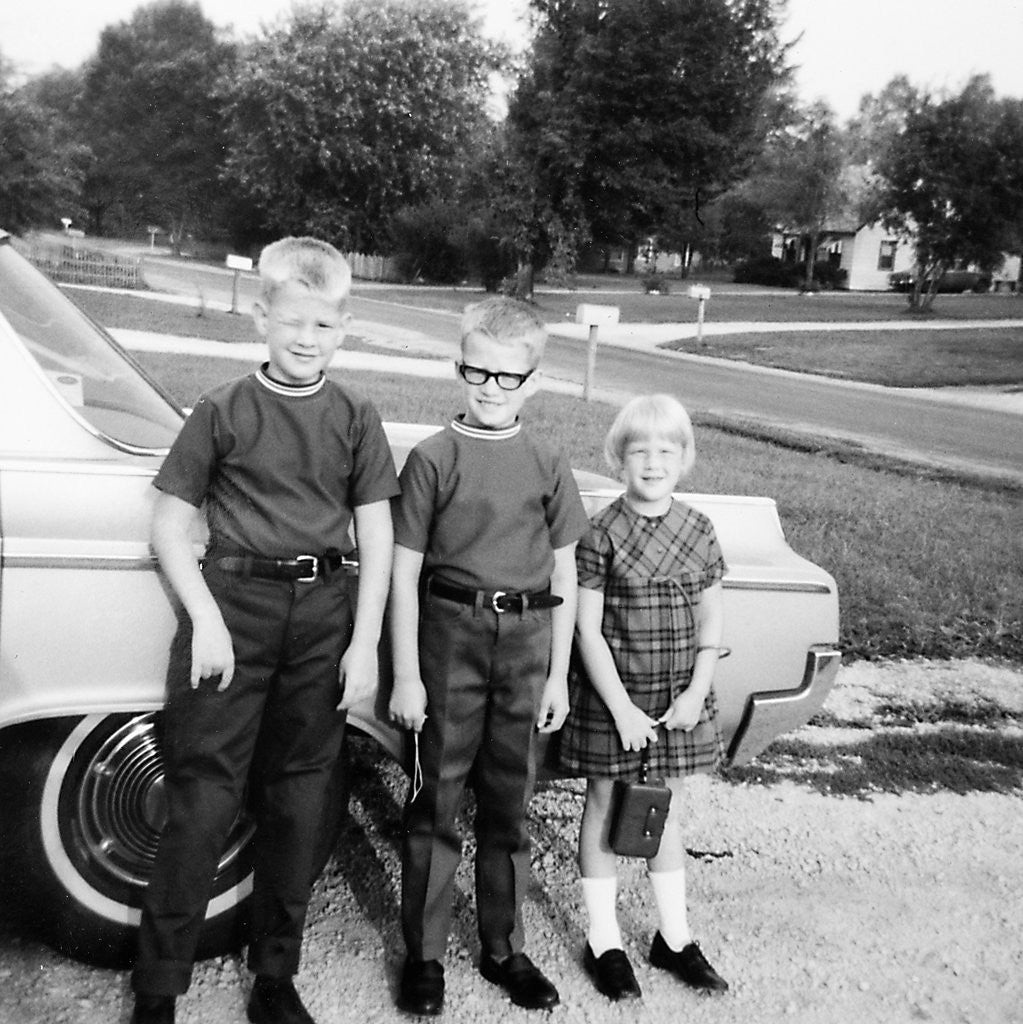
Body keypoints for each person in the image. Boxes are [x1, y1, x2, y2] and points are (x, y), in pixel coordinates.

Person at [130, 237, 398, 1024]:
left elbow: (375, 535)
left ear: (343, 327)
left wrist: (364, 641)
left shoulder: (355, 414)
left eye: (323, 325)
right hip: (234, 611)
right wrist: (204, 621)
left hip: (322, 616)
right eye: (291, 321)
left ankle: (274, 978)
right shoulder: (221, 409)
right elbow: (170, 528)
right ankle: (158, 991)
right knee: (202, 801)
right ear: (262, 316)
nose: (305, 338)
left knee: (301, 801)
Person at [388, 296, 590, 1017]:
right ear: (458, 367)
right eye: (477, 370)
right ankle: (426, 954)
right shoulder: (433, 458)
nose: (490, 387)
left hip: (527, 642)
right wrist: (407, 673)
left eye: (508, 376)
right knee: (435, 800)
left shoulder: (545, 461)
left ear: (532, 381)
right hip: (449, 638)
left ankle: (504, 948)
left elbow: (565, 572)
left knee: (508, 805)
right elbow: (402, 572)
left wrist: (558, 675)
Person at [557, 394, 730, 1002]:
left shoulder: (699, 528)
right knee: (604, 807)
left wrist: (696, 693)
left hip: (679, 699)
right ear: (617, 458)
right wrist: (622, 710)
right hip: (616, 698)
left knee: (668, 809)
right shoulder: (600, 533)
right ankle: (604, 941)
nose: (652, 462)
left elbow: (711, 623)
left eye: (666, 450)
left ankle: (674, 938)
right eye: (638, 451)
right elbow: (586, 630)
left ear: (684, 458)